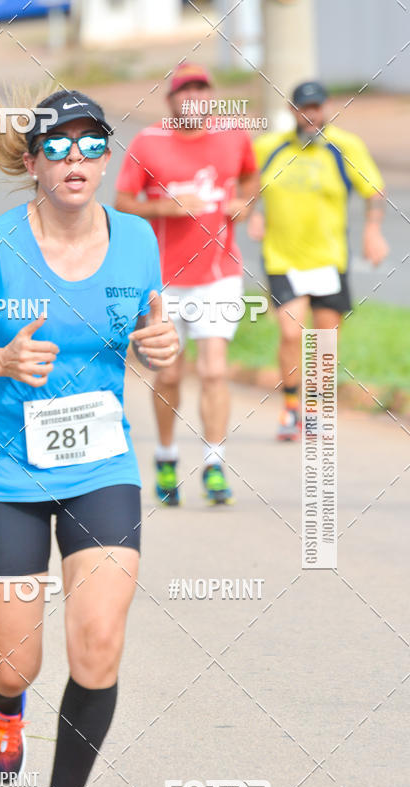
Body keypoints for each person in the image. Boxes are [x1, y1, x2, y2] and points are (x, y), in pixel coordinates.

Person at [0, 86, 179, 787]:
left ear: (105, 156)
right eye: (57, 145)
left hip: (103, 467)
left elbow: (151, 335)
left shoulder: (136, 242)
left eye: (91, 142)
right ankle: (3, 701)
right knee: (16, 662)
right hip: (4, 476)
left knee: (98, 641)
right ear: (32, 164)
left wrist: (163, 353)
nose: (75, 157)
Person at [115, 62, 259, 506]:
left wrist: (244, 204)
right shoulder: (149, 142)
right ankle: (165, 456)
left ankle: (214, 464)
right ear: (172, 100)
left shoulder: (234, 137)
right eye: (184, 91)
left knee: (214, 369)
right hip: (163, 281)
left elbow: (251, 179)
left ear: (210, 96)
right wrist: (167, 207)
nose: (193, 98)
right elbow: (121, 201)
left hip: (218, 275)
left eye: (201, 89)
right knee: (170, 374)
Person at [248, 80, 388, 440]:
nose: (311, 115)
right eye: (303, 109)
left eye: (317, 108)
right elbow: (242, 185)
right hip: (283, 258)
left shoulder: (345, 147)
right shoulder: (270, 148)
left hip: (329, 259)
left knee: (325, 340)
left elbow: (373, 190)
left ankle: (316, 409)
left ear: (325, 109)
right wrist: (252, 211)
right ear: (292, 112)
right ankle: (292, 407)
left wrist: (372, 232)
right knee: (291, 331)